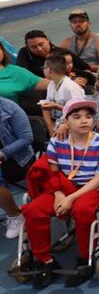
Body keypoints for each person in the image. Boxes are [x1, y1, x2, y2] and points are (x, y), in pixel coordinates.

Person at [23, 99, 99, 288]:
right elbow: (53, 171)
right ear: (66, 121)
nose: (84, 121)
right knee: (33, 210)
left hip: (90, 187)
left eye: (88, 117)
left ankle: (84, 258)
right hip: (61, 186)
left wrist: (71, 198)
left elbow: (98, 180)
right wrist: (58, 193)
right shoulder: (57, 141)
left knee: (83, 212)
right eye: (77, 117)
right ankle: (45, 261)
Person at [0, 96, 33, 239]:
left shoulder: (9, 108)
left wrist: (3, 153)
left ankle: (15, 215)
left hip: (15, 159)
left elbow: (26, 138)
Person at [41, 53, 85, 136]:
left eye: (43, 68)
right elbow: (45, 107)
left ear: (49, 70)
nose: (43, 70)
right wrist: (50, 126)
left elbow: (80, 111)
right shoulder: (51, 84)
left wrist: (56, 106)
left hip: (73, 128)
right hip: (57, 125)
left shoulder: (70, 87)